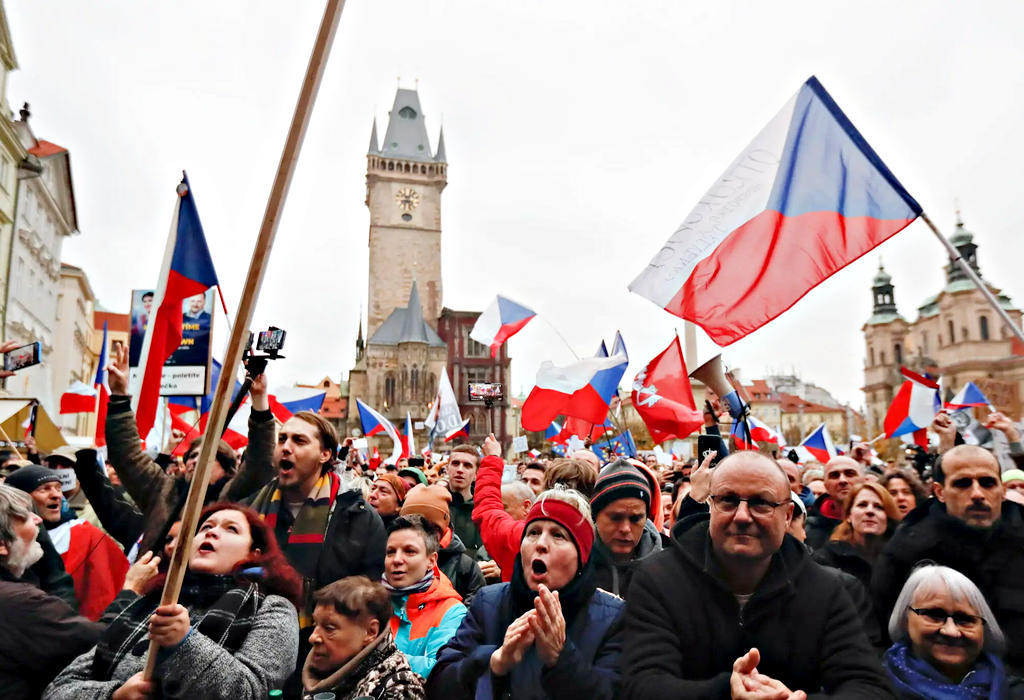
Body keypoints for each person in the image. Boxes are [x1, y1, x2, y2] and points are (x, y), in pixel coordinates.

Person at [623, 451, 892, 697]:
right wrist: (726, 691)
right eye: (728, 500)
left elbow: (870, 688)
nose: (742, 515)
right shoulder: (658, 578)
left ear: (787, 516)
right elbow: (641, 686)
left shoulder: (828, 588)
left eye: (761, 503)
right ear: (710, 506)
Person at [45, 504, 302, 699]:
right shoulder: (150, 603)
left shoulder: (271, 608)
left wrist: (184, 643)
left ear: (254, 553)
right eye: (205, 528)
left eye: (230, 529)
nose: (212, 533)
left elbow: (252, 692)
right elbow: (58, 689)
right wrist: (114, 694)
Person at [428, 488, 625, 699]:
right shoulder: (489, 603)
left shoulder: (612, 617)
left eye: (558, 535)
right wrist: (494, 661)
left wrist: (562, 658)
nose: (540, 544)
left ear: (581, 557)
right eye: (533, 532)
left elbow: (614, 693)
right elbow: (439, 685)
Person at [105, 344, 277, 555]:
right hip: (155, 583)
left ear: (227, 467)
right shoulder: (163, 490)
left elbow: (261, 462)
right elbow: (127, 456)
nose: (194, 461)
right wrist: (119, 397)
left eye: (206, 456)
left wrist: (259, 401)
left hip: (211, 585)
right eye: (191, 456)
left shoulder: (233, 496)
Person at [873, 444, 1024, 673]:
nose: (977, 494)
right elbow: (884, 630)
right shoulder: (907, 549)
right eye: (962, 483)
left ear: (1002, 490)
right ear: (939, 492)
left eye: (987, 482)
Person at [245, 410, 387, 630]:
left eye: (299, 440)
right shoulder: (250, 509)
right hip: (250, 636)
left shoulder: (359, 517)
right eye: (282, 439)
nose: (286, 447)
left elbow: (370, 597)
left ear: (325, 454)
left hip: (323, 645)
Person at [0, 484, 104, 699]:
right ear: (2, 545)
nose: (38, 519)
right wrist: (132, 590)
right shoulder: (17, 601)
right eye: (25, 516)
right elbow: (99, 643)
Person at [6, 465, 129, 620]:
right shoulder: (7, 539)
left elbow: (102, 595)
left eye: (58, 488)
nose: (56, 495)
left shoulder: (86, 534)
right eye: (44, 489)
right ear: (19, 499)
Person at [473, 436, 596, 582]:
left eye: (558, 536)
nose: (542, 545)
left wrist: (492, 459)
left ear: (545, 487)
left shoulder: (519, 536)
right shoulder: (609, 541)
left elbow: (487, 508)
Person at [883, 565, 1012, 699]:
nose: (951, 631)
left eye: (965, 619)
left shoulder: (1013, 692)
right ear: (905, 619)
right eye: (934, 615)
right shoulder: (875, 688)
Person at [302, 576, 424, 700]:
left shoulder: (399, 688)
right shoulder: (321, 672)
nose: (313, 638)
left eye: (329, 628)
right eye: (315, 624)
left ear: (370, 632)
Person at [382, 514, 467, 677]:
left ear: (431, 560)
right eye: (390, 552)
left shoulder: (451, 612)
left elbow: (439, 670)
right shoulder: (369, 602)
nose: (397, 559)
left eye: (409, 551)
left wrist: (378, 657)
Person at [400, 484, 485, 603]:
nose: (419, 535)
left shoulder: (465, 567)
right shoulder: (391, 558)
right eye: (411, 527)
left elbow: (473, 616)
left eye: (428, 528)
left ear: (442, 529)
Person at [589, 460, 662, 598]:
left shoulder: (667, 571)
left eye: (635, 519)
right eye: (616, 517)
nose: (625, 529)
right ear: (595, 516)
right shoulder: (575, 567)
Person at [813, 482, 901, 591]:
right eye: (862, 505)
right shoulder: (826, 559)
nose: (870, 511)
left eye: (879, 507)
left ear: (887, 517)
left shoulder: (900, 561)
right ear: (849, 515)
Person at [805, 456, 864, 549]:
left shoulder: (881, 523)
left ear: (863, 481)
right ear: (826, 486)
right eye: (835, 475)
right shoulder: (806, 526)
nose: (842, 480)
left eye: (850, 474)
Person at [446, 445, 486, 560]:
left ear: (476, 474)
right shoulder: (433, 505)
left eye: (467, 465)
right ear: (447, 468)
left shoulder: (482, 511)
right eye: (455, 463)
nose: (460, 469)